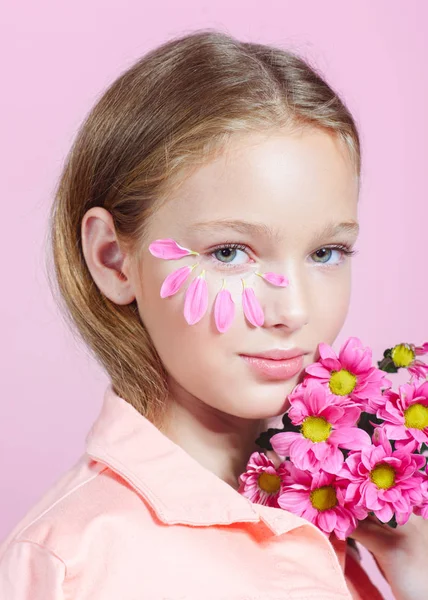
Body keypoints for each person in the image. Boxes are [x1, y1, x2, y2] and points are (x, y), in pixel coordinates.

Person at [0, 28, 425, 600]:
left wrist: (415, 572)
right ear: (113, 259)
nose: (293, 311)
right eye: (229, 252)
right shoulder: (79, 562)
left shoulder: (346, 509)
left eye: (327, 252)